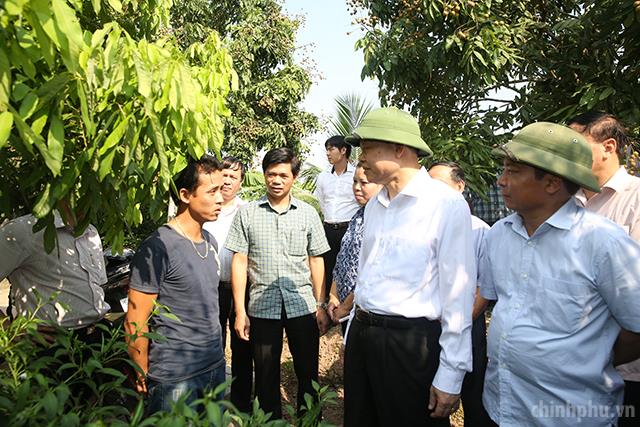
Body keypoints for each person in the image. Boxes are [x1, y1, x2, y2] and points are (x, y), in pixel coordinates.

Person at [480, 122, 640, 426]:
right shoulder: (499, 235)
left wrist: (592, 358)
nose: (501, 181)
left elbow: (637, 327)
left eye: (513, 172)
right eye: (503, 170)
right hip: (502, 407)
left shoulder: (602, 242)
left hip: (570, 414)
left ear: (552, 183)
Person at [343, 107, 476, 426]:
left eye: (368, 149)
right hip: (363, 336)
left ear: (399, 149)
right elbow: (366, 276)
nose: (361, 159)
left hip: (410, 346)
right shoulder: (375, 205)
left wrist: (451, 373)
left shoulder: (445, 205)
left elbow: (458, 297)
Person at [225, 147, 331, 420]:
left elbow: (316, 259)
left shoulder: (308, 214)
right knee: (265, 374)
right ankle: (269, 423)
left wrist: (320, 305)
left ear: (294, 177)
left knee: (308, 372)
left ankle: (309, 421)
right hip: (262, 306)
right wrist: (240, 311)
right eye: (271, 174)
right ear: (264, 175)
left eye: (283, 175)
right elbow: (240, 261)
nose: (276, 180)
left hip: (302, 305)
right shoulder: (247, 213)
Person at [125, 156, 226, 414]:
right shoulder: (158, 247)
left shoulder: (210, 242)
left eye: (221, 190)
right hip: (175, 378)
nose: (220, 199)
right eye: (212, 191)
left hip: (214, 368)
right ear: (185, 195)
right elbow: (135, 320)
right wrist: (141, 371)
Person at [567, 111, 640, 426]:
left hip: (628, 368)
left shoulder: (636, 198)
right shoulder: (566, 203)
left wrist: (608, 355)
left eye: (576, 144)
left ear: (608, 147)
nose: (566, 154)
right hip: (572, 366)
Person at [428, 161, 493, 427]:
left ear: (460, 186)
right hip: (431, 328)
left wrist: (460, 321)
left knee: (474, 397)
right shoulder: (424, 227)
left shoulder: (480, 230)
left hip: (468, 323)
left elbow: (484, 287)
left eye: (440, 185)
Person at [0, 202, 109, 330]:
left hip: (99, 331)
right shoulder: (22, 231)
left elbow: (99, 285)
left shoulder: (91, 232)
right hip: (51, 338)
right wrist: (7, 328)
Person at [202, 156, 252, 412]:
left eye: (234, 177)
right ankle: (212, 402)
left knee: (242, 345)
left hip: (241, 288)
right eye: (225, 175)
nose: (228, 181)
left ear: (241, 182)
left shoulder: (248, 211)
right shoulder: (206, 207)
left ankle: (241, 405)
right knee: (213, 344)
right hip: (210, 288)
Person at [326, 164, 382, 334]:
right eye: (354, 181)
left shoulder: (382, 221)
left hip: (365, 311)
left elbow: (371, 270)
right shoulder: (358, 216)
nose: (357, 188)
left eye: (364, 183)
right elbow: (343, 259)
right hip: (344, 308)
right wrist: (333, 295)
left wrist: (346, 306)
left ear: (382, 184)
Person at [314, 136, 361, 299]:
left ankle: (346, 305)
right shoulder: (323, 176)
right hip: (328, 229)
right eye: (326, 149)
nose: (328, 153)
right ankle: (325, 304)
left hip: (349, 229)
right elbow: (321, 202)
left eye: (331, 149)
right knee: (327, 268)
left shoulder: (356, 175)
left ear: (343, 150)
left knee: (349, 268)